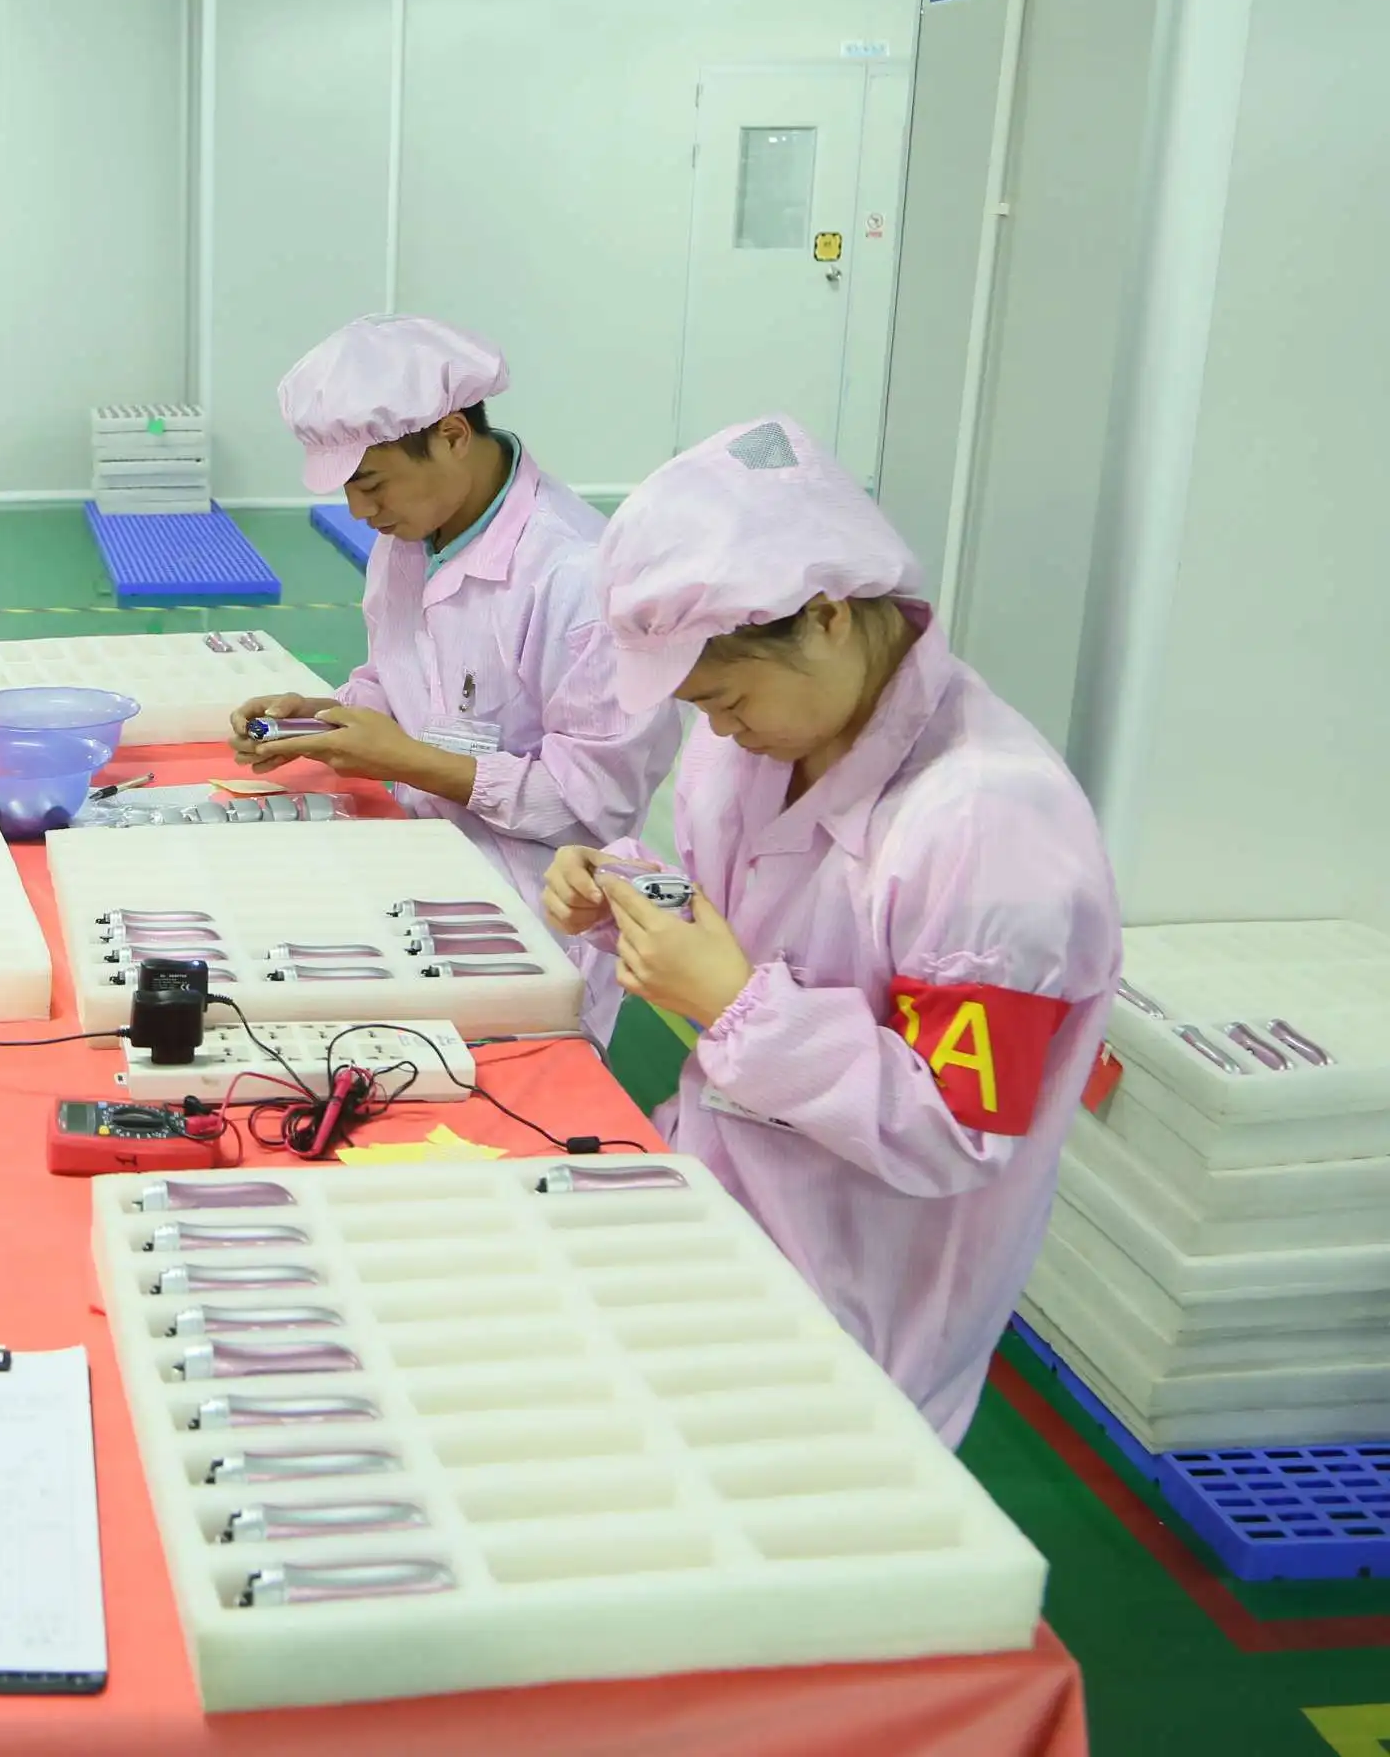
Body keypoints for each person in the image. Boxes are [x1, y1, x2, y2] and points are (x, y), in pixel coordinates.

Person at [541, 414, 1120, 1444]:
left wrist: (734, 1005)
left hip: (856, 1311)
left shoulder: (990, 824)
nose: (716, 727)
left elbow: (956, 1129)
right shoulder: (750, 747)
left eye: (726, 696)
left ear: (825, 616)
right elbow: (748, 923)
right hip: (716, 1214)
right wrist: (628, 892)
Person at [235, 314, 680, 1039]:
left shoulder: (577, 577)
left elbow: (594, 807)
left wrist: (408, 760)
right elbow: (398, 676)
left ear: (450, 435)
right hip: (417, 871)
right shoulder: (413, 535)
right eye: (347, 488)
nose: (358, 510)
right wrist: (321, 718)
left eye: (370, 483)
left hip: (531, 926)